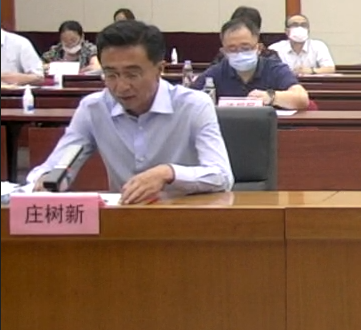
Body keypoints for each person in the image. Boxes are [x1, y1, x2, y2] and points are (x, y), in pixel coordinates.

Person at [26, 20, 233, 204]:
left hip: (186, 218)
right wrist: (45, 181)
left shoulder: (194, 106)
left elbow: (222, 176)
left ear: (160, 69)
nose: (121, 86)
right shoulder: (93, 108)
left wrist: (168, 173)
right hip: (124, 219)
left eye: (132, 74)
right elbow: (59, 164)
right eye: (111, 75)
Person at [195, 19, 310, 110]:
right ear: (224, 52)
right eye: (232, 49)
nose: (239, 53)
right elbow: (190, 98)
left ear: (259, 48)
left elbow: (302, 98)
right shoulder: (216, 72)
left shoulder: (274, 68)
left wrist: (271, 97)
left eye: (246, 48)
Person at [267, 14, 335, 75]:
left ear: (308, 30)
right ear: (286, 31)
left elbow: (330, 69)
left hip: (311, 84)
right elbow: (268, 71)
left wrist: (311, 71)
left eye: (303, 25)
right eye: (295, 25)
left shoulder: (318, 46)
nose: (300, 28)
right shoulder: (275, 48)